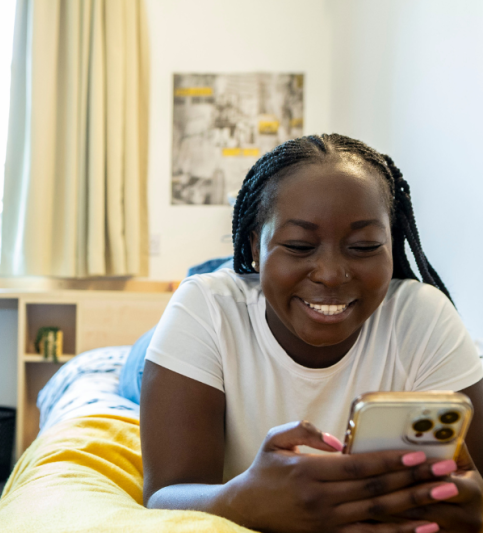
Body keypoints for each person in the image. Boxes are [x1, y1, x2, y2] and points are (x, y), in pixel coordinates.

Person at [140, 134, 483, 533]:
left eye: (364, 245)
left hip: (276, 291)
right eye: (300, 245)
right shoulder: (205, 308)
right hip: (220, 313)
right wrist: (239, 498)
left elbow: (475, 491)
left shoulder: (423, 314)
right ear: (254, 246)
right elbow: (164, 495)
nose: (331, 274)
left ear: (393, 245)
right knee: (146, 350)